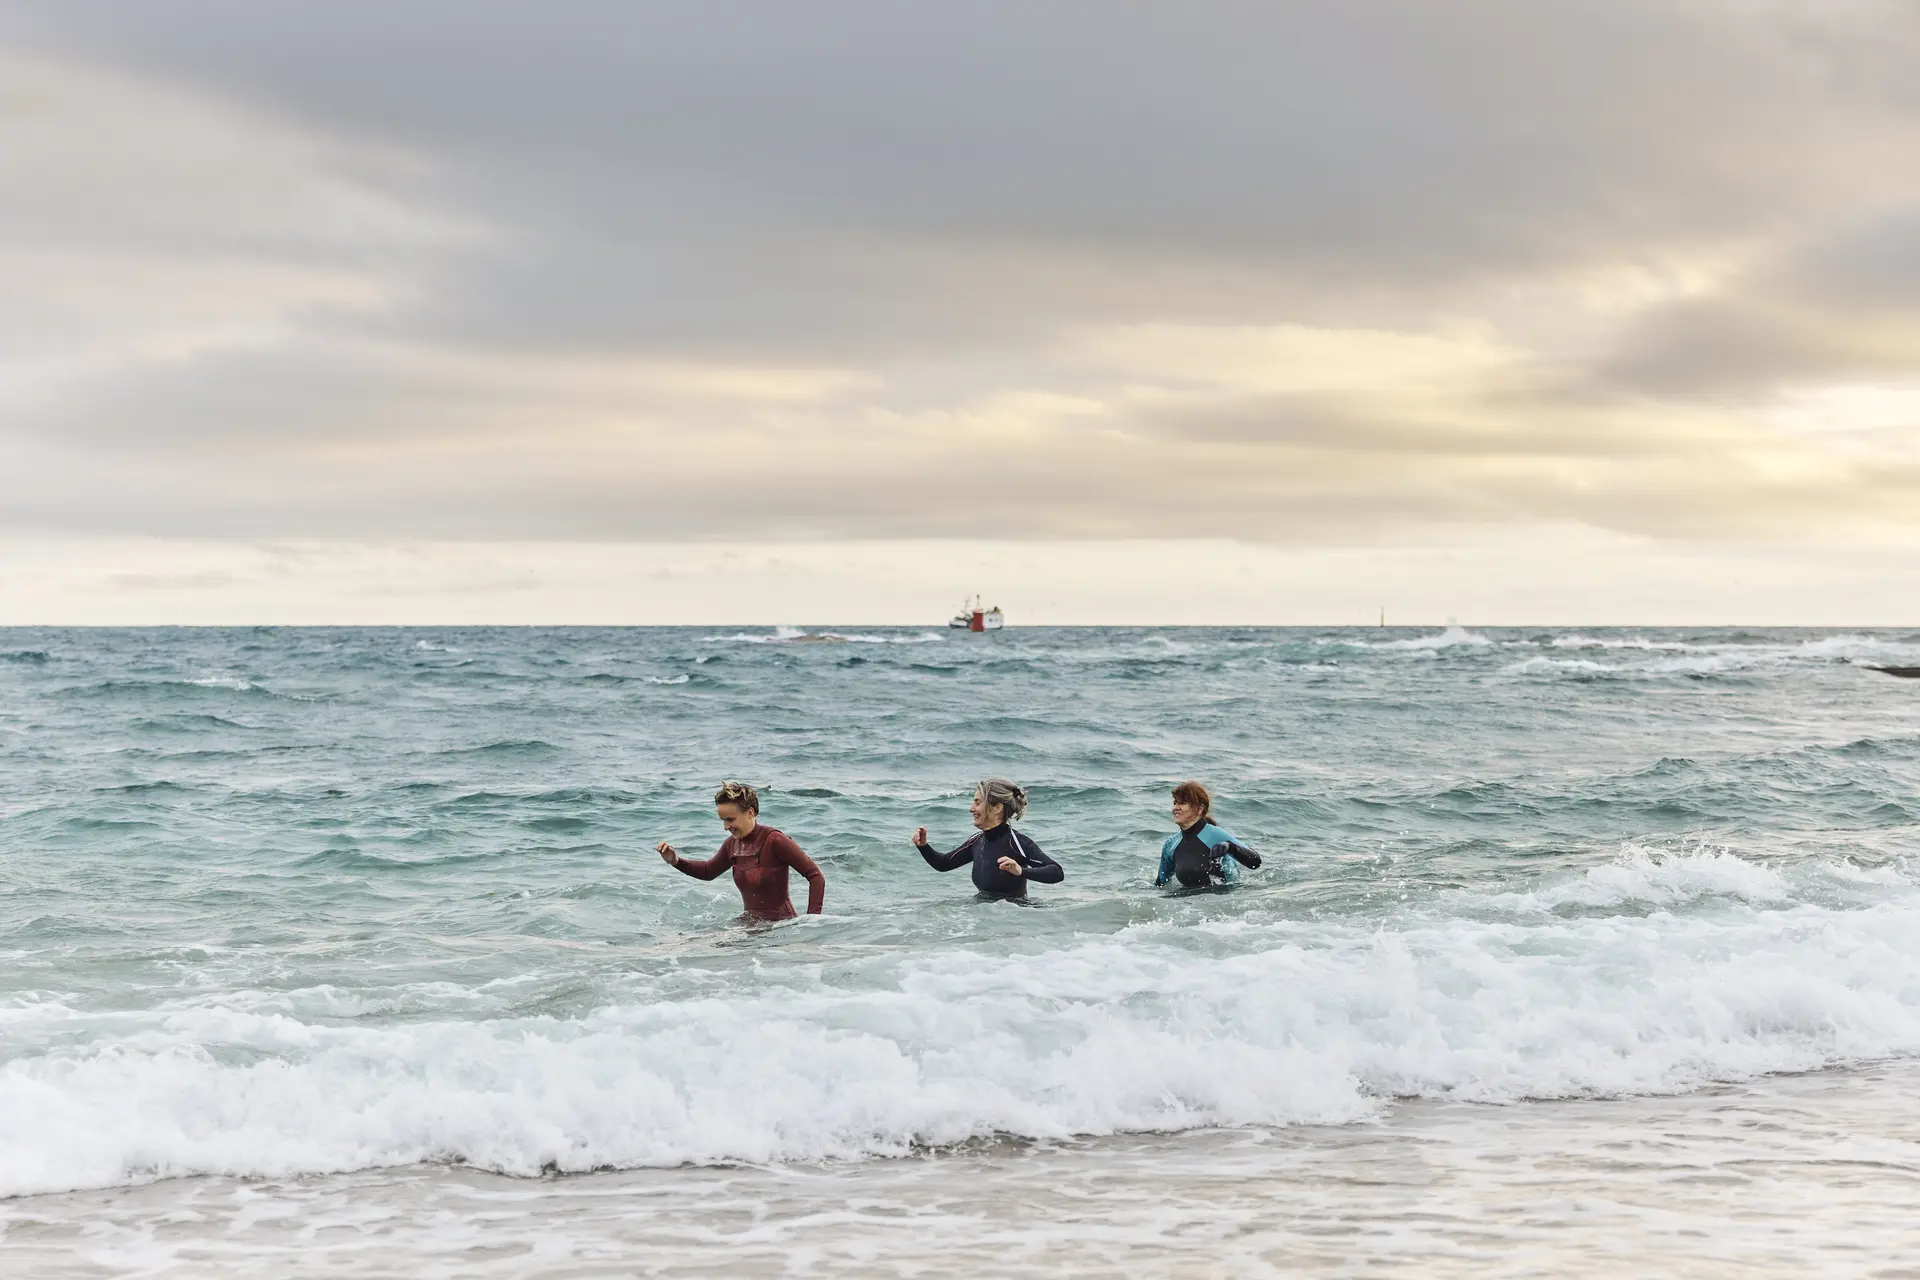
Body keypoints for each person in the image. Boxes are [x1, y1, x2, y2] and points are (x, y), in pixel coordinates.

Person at [657, 781, 825, 921]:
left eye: (730, 819)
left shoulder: (775, 840)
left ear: (750, 812)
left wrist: (811, 922)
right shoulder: (732, 844)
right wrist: (675, 861)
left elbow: (816, 876)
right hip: (750, 924)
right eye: (723, 820)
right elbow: (708, 871)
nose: (725, 827)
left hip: (779, 927)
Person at [912, 777, 1063, 900]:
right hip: (984, 920)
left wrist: (1020, 871)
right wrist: (923, 846)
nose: (971, 808)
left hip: (1015, 921)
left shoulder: (1017, 843)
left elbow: (1056, 872)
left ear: (997, 808)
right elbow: (943, 863)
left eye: (977, 802)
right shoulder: (976, 841)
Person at [1156, 781, 1262, 888]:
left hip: (1223, 899)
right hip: (1186, 902)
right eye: (1175, 803)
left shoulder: (1214, 834)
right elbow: (1161, 883)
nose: (1176, 807)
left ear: (1200, 809)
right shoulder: (1171, 845)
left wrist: (1231, 847)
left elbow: (1255, 862)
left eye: (1182, 803)